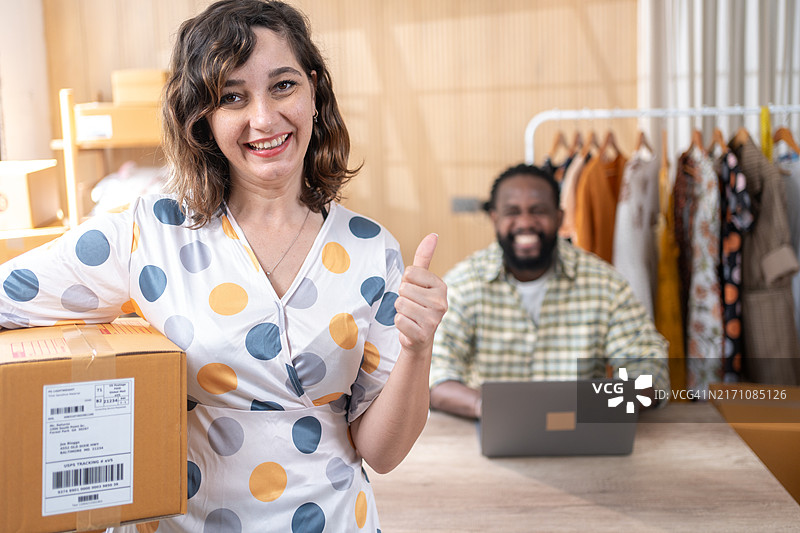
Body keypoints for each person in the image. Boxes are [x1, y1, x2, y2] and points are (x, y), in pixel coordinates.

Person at [0, 1, 447, 531]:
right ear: (203, 120)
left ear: (314, 90)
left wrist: (418, 349)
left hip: (335, 519)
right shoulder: (150, 231)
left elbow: (382, 453)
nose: (264, 118)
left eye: (283, 86)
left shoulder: (374, 249)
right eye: (232, 97)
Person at [429, 163, 668, 419]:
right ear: (494, 218)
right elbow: (434, 376)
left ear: (560, 217)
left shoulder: (605, 284)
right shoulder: (462, 285)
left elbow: (650, 368)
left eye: (538, 211)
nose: (526, 223)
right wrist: (486, 407)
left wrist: (597, 405)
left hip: (585, 435)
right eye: (512, 212)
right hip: (488, 436)